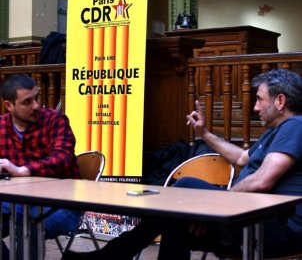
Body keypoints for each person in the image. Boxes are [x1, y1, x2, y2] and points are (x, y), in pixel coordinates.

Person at [64, 68, 302, 259]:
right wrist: (205, 134)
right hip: (250, 218)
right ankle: (110, 256)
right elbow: (242, 158)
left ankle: (109, 256)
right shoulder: (276, 132)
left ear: (280, 101)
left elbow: (262, 181)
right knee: (175, 222)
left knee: (185, 187)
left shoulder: (295, 126)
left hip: (280, 228)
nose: (255, 107)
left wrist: (216, 209)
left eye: (260, 100)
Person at [0, 74, 82, 259]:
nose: (36, 105)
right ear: (9, 106)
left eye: (37, 98)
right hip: (17, 202)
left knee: (27, 229)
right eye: (27, 102)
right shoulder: (1, 126)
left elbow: (63, 157)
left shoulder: (55, 120)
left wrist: (23, 170)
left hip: (63, 201)